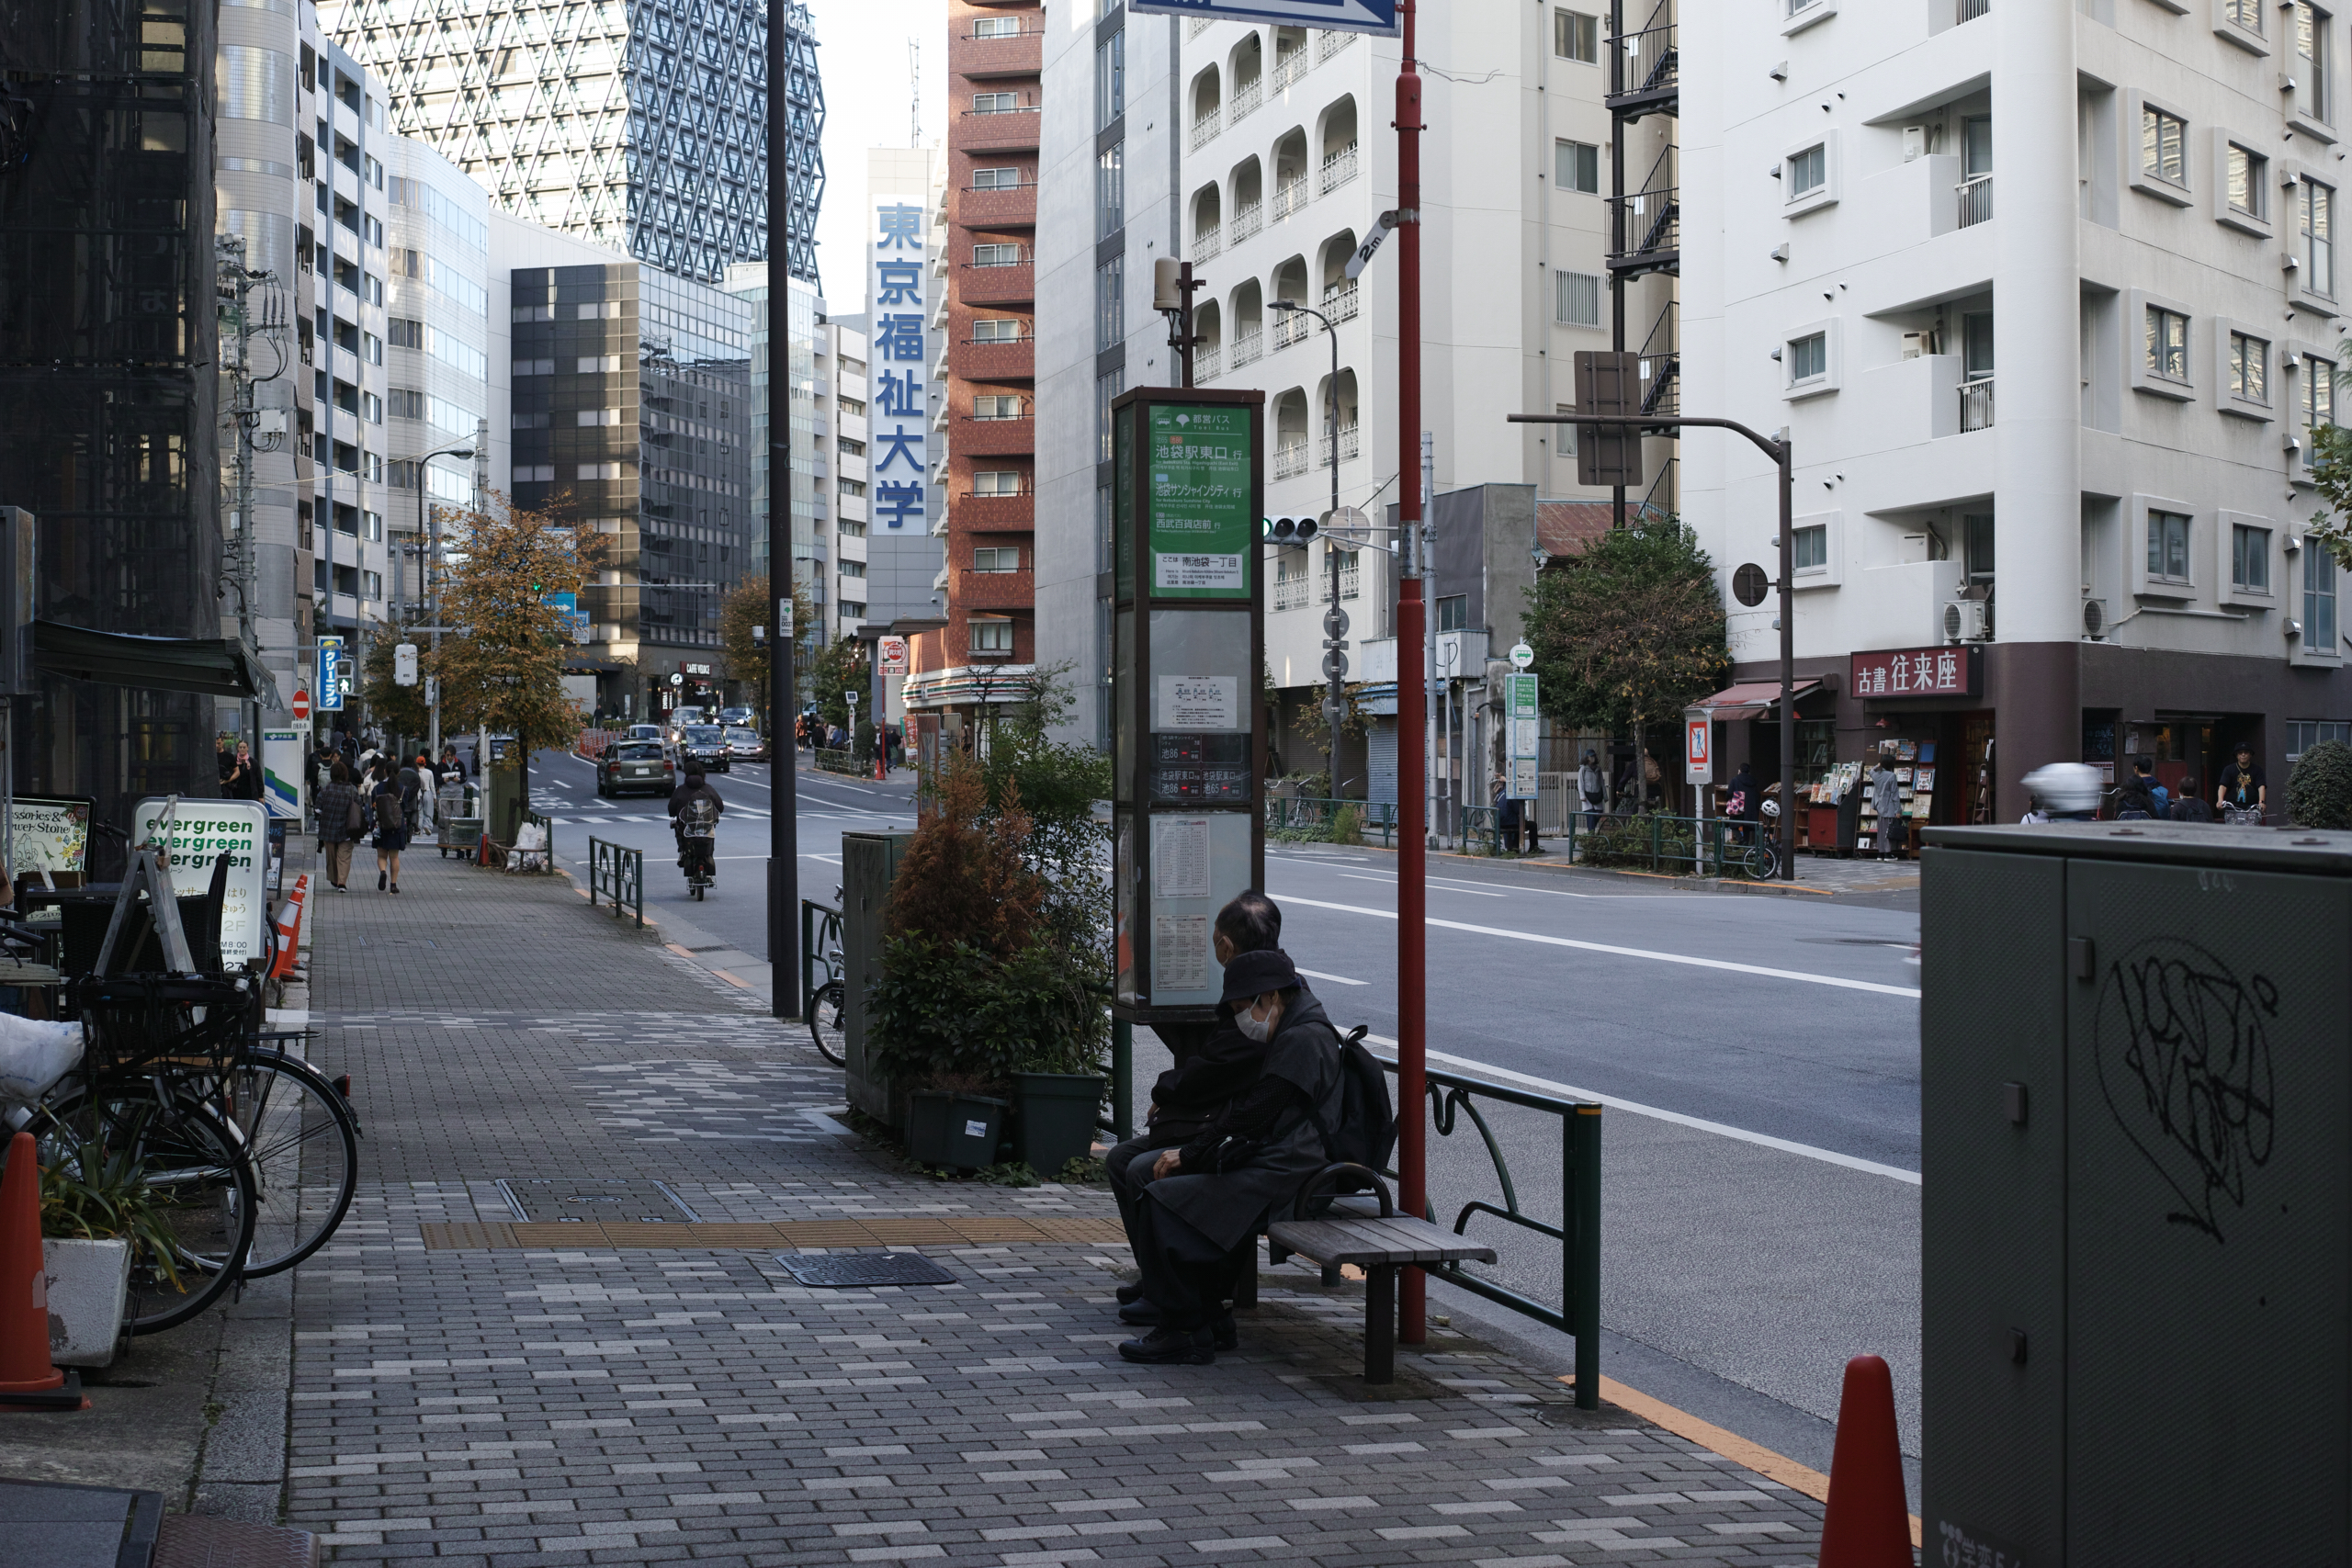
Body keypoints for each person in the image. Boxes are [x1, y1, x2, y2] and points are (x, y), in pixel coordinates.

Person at [1118, 946, 1343, 1366]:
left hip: (1289, 1172)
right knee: (1173, 1191)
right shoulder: (1297, 1025)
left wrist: (1191, 1153)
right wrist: (1196, 1152)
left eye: (1245, 1008)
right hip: (1281, 1161)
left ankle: (1183, 1329)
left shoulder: (1302, 1037)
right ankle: (1209, 1319)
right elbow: (1255, 1115)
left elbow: (1255, 1116)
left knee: (1164, 1201)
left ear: (1270, 997)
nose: (1245, 1019)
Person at [668, 764, 725, 870]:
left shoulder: (680, 790)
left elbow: (671, 809)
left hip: (687, 829)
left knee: (677, 826)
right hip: (706, 828)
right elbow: (720, 807)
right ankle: (709, 855)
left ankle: (682, 851)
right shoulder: (708, 789)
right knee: (711, 829)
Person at [316, 761, 361, 891]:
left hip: (328, 829)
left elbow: (318, 809)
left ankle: (334, 880)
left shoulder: (326, 789)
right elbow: (359, 805)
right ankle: (342, 882)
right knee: (344, 856)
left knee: (331, 857)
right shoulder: (351, 789)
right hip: (347, 829)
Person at [367, 766, 408, 893]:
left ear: (385, 771)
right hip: (396, 826)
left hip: (381, 824)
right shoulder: (403, 789)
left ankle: (383, 872)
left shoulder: (378, 788)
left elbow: (373, 806)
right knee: (394, 857)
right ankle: (393, 884)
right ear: (399, 773)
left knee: (382, 855)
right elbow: (405, 807)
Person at [1869, 750, 1905, 857]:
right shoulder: (1891, 776)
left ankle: (1880, 853)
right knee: (1889, 831)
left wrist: (1878, 765)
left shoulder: (1875, 775)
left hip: (1880, 806)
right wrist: (1898, 810)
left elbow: (1870, 771)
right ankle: (1888, 854)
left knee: (1881, 831)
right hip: (1889, 807)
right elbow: (1894, 795)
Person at [2218, 743, 2267, 818]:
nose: (2243, 755)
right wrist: (2220, 800)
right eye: (2240, 753)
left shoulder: (2257, 770)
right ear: (2236, 755)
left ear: (2250, 755)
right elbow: (2223, 786)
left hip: (2252, 808)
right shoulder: (2229, 769)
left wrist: (2261, 802)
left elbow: (2261, 786)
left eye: (2246, 752)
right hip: (2232, 808)